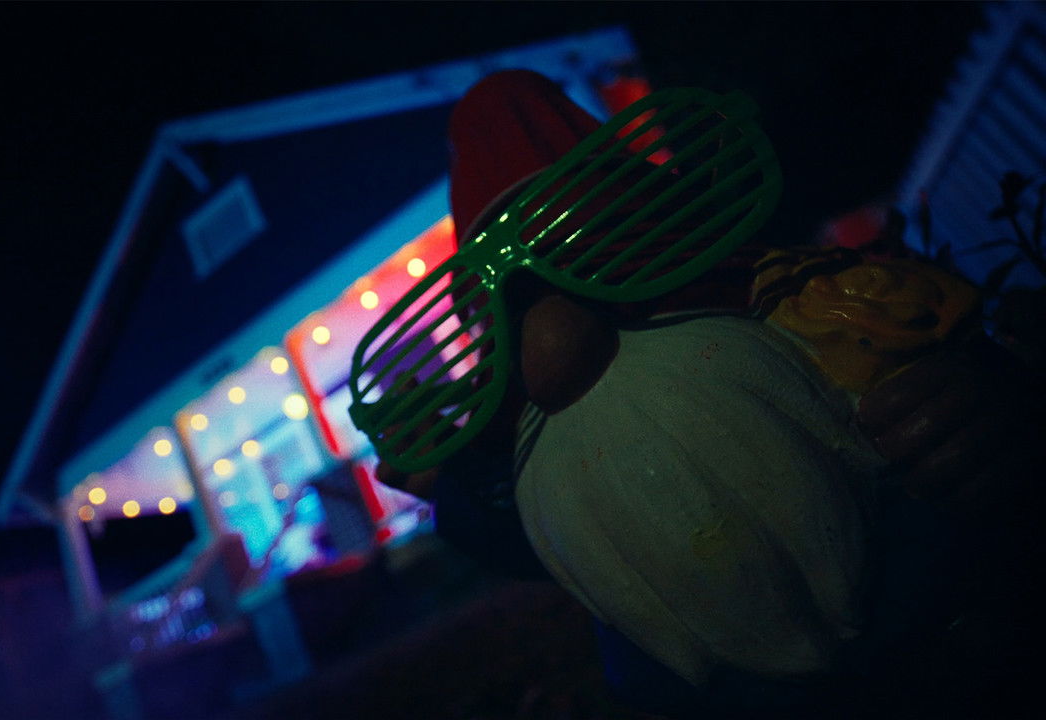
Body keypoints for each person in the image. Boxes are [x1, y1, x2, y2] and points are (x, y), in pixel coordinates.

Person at [374, 69, 1045, 717]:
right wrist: (449, 484)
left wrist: (997, 398)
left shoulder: (831, 313)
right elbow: (511, 526)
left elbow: (982, 364)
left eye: (595, 262)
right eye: (514, 310)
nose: (553, 347)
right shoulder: (546, 471)